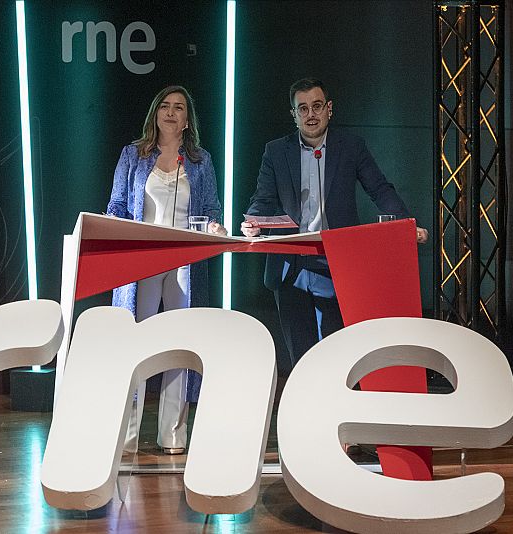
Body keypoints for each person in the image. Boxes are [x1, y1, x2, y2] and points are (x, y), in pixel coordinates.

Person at [241, 77, 428, 370]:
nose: (310, 114)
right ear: (294, 114)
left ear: (329, 108)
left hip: (337, 262)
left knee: (338, 353)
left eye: (316, 106)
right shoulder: (276, 151)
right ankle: (304, 414)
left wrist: (405, 225)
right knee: (300, 357)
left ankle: (336, 412)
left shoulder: (350, 146)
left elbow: (379, 188)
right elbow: (262, 199)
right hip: (291, 265)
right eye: (302, 109)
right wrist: (253, 221)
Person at [107, 85, 227, 454]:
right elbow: (116, 206)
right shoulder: (134, 154)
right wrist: (118, 231)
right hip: (142, 259)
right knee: (136, 342)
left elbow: (211, 209)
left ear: (187, 120)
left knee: (180, 346)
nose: (171, 113)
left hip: (184, 262)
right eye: (164, 106)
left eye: (178, 108)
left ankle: (172, 434)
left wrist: (215, 229)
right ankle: (125, 435)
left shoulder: (200, 160)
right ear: (155, 114)